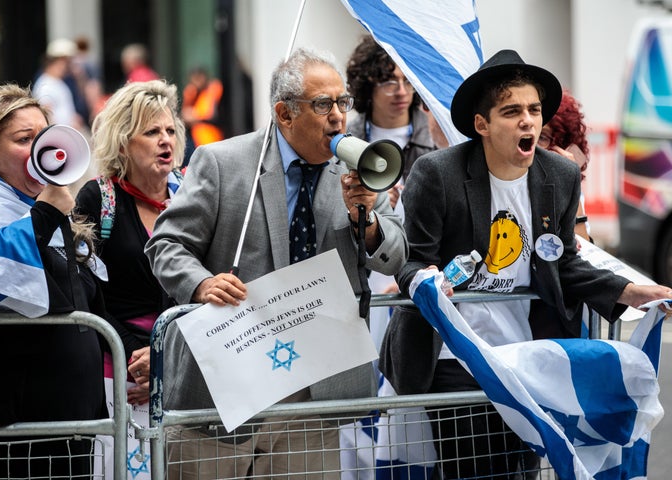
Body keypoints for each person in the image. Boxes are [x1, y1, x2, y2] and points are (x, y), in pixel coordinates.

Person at [379, 49, 672, 479]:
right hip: (454, 358)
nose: (528, 121)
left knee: (524, 470)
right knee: (475, 472)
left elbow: (565, 263)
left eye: (534, 110)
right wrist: (427, 280)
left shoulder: (559, 175)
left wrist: (630, 291)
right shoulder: (436, 173)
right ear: (482, 124)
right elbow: (410, 263)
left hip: (527, 357)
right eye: (511, 111)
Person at [145, 47, 408, 479]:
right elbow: (167, 244)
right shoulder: (223, 162)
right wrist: (200, 285)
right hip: (227, 386)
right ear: (284, 114)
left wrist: (368, 219)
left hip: (312, 391)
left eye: (343, 103)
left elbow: (394, 256)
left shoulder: (356, 170)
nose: (338, 117)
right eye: (323, 105)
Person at [0, 84, 107, 478]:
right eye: (24, 140)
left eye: (44, 137)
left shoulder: (38, 207)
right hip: (9, 432)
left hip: (68, 428)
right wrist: (44, 216)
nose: (40, 149)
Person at [75, 79, 185, 406]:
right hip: (119, 370)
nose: (165, 140)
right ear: (123, 143)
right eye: (152, 132)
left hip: (181, 363)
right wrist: (137, 360)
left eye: (170, 131)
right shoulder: (98, 198)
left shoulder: (190, 193)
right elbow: (84, 290)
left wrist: (167, 362)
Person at [345, 34, 438, 211]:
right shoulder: (346, 141)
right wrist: (376, 201)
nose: (402, 92)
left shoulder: (437, 140)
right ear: (368, 86)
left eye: (407, 81)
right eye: (390, 82)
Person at [538, 90, 592, 241]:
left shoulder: (564, 187)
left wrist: (570, 184)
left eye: (542, 137)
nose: (532, 144)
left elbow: (584, 250)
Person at [32, 38, 86, 130]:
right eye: (66, 61)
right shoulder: (45, 85)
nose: (68, 66)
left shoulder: (59, 82)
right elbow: (46, 117)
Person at [181, 66, 224, 161]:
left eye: (198, 78)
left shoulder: (214, 89)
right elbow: (184, 114)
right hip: (196, 141)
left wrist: (196, 117)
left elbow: (215, 116)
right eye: (194, 80)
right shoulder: (192, 92)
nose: (196, 83)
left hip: (213, 140)